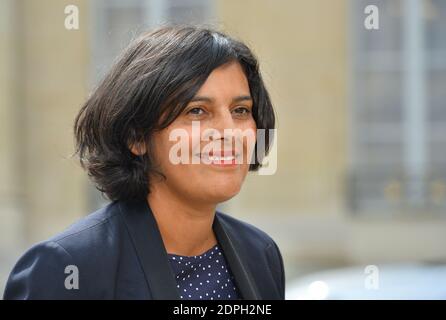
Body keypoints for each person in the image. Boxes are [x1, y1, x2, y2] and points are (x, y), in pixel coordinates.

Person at [3, 25, 284, 300]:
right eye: (197, 111)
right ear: (136, 136)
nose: (229, 132)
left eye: (240, 110)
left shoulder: (260, 254)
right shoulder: (67, 267)